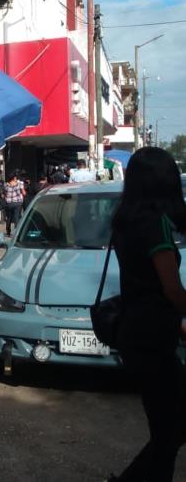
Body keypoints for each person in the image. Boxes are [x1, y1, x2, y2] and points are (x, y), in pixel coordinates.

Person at [108, 147, 186, 481]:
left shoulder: (126, 219)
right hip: (154, 337)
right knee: (170, 430)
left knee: (167, 428)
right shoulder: (155, 225)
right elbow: (171, 288)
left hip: (135, 334)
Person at [3, 173, 26, 237]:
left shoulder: (6, 184)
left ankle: (8, 231)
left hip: (9, 203)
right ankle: (16, 232)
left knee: (9, 217)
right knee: (17, 217)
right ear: (14, 178)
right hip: (18, 202)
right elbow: (24, 193)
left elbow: (4, 193)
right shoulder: (20, 183)